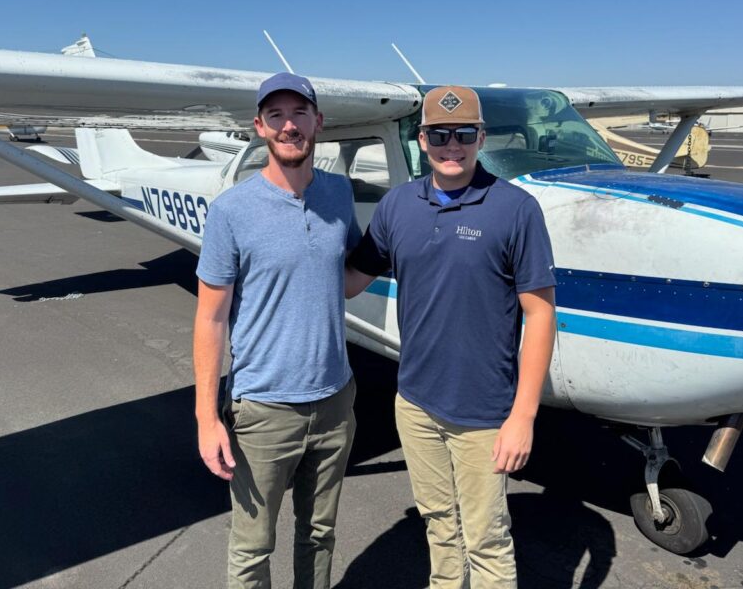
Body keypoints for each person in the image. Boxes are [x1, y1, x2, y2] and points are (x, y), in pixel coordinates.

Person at [346, 86, 557, 588]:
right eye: (439, 134)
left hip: (484, 413)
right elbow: (351, 279)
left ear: (481, 137)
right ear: (422, 139)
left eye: (464, 134)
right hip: (415, 403)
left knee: (486, 540)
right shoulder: (398, 205)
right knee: (439, 526)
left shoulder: (515, 209)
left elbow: (541, 315)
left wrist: (522, 417)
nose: (452, 145)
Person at [194, 72, 360, 588]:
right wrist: (206, 418)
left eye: (300, 113)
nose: (290, 125)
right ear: (260, 127)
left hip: (336, 402)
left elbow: (346, 280)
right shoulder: (231, 211)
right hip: (263, 409)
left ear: (319, 122)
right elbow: (210, 318)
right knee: (251, 550)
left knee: (320, 535)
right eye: (276, 116)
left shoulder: (338, 193)